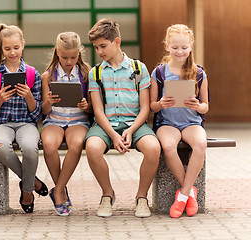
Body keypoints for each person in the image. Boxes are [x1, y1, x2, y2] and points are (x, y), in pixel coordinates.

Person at [85, 19, 161, 218]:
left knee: (154, 148)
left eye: (103, 46)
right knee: (92, 148)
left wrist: (130, 131)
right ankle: (107, 195)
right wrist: (114, 135)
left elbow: (145, 107)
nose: (99, 51)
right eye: (96, 47)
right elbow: (98, 111)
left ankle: (142, 198)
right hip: (105, 124)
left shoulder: (138, 69)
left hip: (134, 123)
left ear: (117, 41)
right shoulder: (96, 73)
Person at [0, 24, 48, 214]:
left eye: (16, 47)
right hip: (1, 124)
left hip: (26, 124)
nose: (12, 52)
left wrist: (29, 97)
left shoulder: (32, 74)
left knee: (30, 148)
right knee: (2, 148)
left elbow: (36, 114)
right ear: (1, 48)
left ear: (23, 45)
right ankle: (32, 183)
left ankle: (26, 190)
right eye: (7, 48)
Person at [150, 24, 209, 218]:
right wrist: (161, 103)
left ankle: (182, 194)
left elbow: (205, 106)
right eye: (175, 47)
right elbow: (152, 106)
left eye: (184, 47)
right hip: (167, 123)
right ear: (167, 46)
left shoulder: (199, 73)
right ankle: (190, 192)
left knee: (200, 144)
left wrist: (196, 105)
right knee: (168, 146)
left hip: (191, 122)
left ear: (191, 46)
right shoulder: (159, 73)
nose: (179, 51)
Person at [41, 32, 92, 216]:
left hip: (78, 120)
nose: (69, 61)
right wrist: (48, 101)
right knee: (48, 144)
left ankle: (58, 190)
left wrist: (87, 105)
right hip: (54, 120)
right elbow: (45, 110)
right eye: (64, 57)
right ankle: (61, 191)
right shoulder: (48, 76)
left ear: (79, 53)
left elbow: (93, 107)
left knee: (77, 143)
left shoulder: (86, 73)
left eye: (73, 57)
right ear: (57, 52)